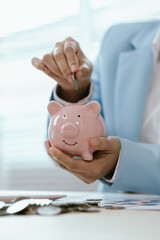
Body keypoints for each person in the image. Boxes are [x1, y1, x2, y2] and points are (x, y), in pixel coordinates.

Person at [32, 19, 160, 194]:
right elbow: (77, 151)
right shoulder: (116, 41)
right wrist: (75, 87)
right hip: (114, 215)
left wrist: (122, 162)